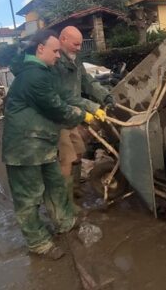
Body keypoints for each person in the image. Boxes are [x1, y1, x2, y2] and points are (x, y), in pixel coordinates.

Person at [1, 30, 102, 259]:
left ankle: (64, 222)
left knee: (55, 185)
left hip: (42, 144)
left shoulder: (42, 72)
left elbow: (64, 95)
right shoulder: (33, 76)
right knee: (29, 198)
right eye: (55, 51)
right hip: (24, 149)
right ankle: (38, 243)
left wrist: (89, 107)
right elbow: (57, 107)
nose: (58, 55)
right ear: (40, 49)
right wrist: (82, 115)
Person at [54, 26, 113, 206]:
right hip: (59, 115)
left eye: (80, 45)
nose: (79, 48)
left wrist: (106, 96)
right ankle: (65, 202)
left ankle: (75, 188)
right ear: (63, 39)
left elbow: (88, 82)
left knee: (79, 151)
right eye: (76, 44)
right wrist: (92, 108)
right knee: (66, 158)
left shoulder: (75, 60)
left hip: (74, 115)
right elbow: (65, 94)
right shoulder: (56, 62)